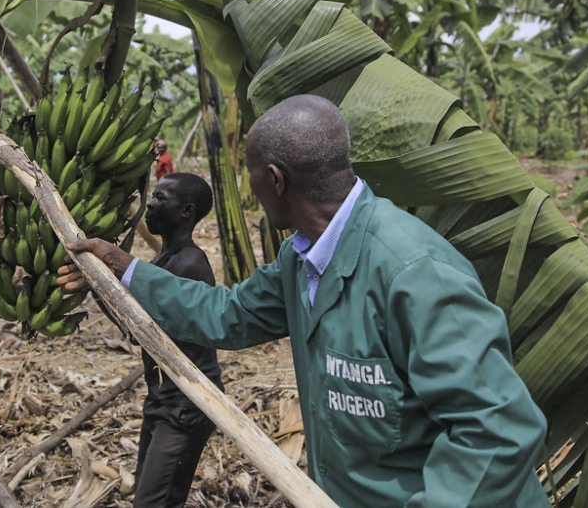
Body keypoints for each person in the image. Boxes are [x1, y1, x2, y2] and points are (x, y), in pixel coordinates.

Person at [58, 95, 550, 508]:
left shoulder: (415, 272)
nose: (251, 189)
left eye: (251, 175)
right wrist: (126, 268)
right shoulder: (302, 258)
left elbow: (496, 432)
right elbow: (227, 314)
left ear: (276, 179)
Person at [132, 172, 222, 508]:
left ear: (186, 211)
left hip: (187, 403)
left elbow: (137, 322)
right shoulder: (164, 258)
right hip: (162, 398)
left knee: (153, 502)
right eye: (151, 196)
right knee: (150, 497)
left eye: (160, 198)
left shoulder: (189, 264)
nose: (150, 205)